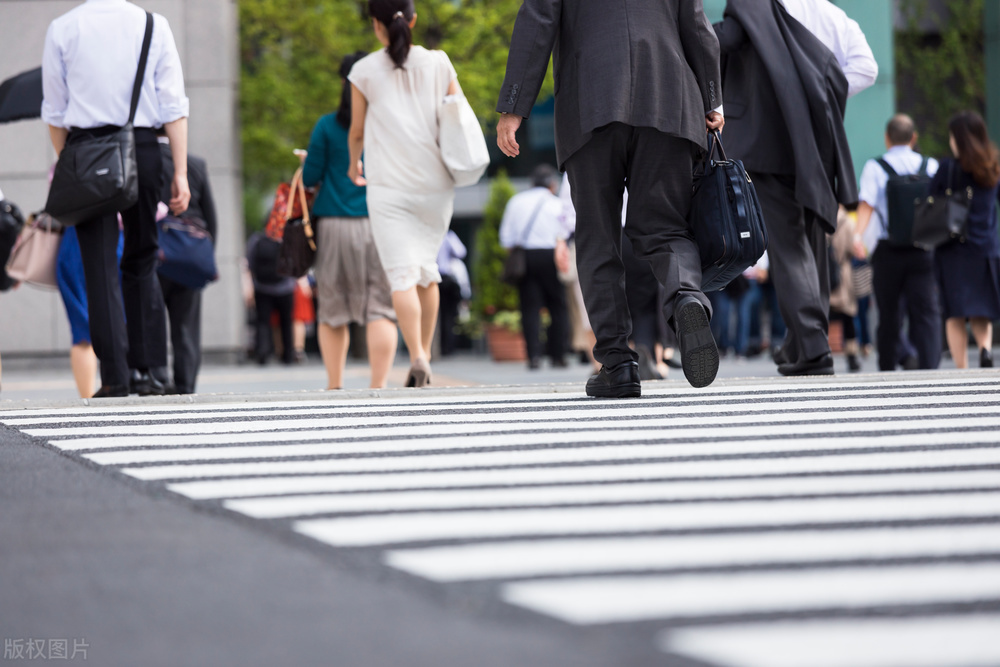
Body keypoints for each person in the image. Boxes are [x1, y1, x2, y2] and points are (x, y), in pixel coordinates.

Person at [497, 0, 725, 395]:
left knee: (598, 235)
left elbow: (538, 19)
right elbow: (697, 24)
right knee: (666, 226)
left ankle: (617, 363)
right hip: (669, 95)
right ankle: (686, 297)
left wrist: (514, 108)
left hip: (592, 98)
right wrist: (711, 98)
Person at [714, 0, 877, 376]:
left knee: (789, 245)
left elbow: (723, 41)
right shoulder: (833, 16)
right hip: (814, 144)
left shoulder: (754, 7)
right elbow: (866, 68)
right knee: (811, 244)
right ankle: (801, 341)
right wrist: (820, 100)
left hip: (770, 140)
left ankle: (812, 343)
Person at [42, 0, 191, 398]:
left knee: (99, 266)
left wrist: (71, 165)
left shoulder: (63, 28)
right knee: (142, 257)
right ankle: (149, 371)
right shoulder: (152, 24)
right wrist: (180, 171)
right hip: (142, 146)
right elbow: (173, 105)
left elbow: (54, 113)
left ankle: (115, 376)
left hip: (86, 149)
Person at [347, 0, 461, 388]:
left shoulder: (363, 71)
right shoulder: (440, 62)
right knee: (427, 270)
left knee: (401, 275)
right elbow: (457, 114)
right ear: (413, 20)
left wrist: (353, 164)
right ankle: (425, 352)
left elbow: (357, 131)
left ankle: (416, 356)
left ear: (376, 26)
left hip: (388, 187)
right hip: (436, 185)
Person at [300, 51, 399, 390]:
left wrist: (308, 161)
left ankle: (335, 386)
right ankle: (379, 386)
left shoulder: (327, 126)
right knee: (380, 308)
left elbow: (310, 177)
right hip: (380, 224)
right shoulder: (389, 124)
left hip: (334, 225)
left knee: (333, 309)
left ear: (344, 82)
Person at [851, 114, 941, 372]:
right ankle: (930, 368)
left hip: (887, 250)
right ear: (914, 137)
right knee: (926, 312)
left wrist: (857, 237)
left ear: (887, 138)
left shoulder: (876, 167)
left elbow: (866, 205)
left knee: (889, 313)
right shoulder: (930, 165)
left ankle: (888, 368)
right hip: (923, 249)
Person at [152, 128, 218, 394]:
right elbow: (211, 218)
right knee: (187, 327)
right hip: (189, 258)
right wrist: (204, 257)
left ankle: (157, 380)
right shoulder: (195, 164)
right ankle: (185, 385)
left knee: (152, 320)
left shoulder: (139, 160)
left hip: (154, 256)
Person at [932, 111, 1000, 369]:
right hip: (986, 247)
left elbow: (931, 198)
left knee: (955, 312)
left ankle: (962, 368)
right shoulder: (992, 167)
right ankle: (985, 349)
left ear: (959, 139)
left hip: (954, 249)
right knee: (981, 308)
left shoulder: (948, 168)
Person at [499, 164, 570, 370]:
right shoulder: (557, 204)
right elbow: (567, 233)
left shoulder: (516, 202)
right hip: (552, 256)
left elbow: (506, 239)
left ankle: (534, 357)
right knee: (558, 307)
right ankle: (558, 355)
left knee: (530, 308)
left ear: (531, 183)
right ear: (552, 184)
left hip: (526, 258)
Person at [246, 230, 296, 365]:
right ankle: (288, 355)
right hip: (285, 287)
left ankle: (262, 353)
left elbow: (249, 263)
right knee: (286, 322)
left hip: (262, 287)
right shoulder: (288, 239)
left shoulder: (257, 240)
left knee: (262, 322)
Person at [436, 230, 470, 357]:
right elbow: (460, 252)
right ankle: (443, 348)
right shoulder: (447, 236)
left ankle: (446, 347)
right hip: (437, 278)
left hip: (446, 279)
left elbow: (461, 252)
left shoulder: (447, 236)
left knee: (447, 315)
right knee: (444, 315)